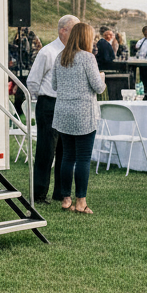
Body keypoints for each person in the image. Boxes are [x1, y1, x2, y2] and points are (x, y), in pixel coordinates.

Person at [50, 22, 106, 214]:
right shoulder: (88, 58)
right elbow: (98, 87)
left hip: (63, 112)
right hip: (83, 113)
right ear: (85, 38)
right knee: (82, 158)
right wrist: (102, 77)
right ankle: (81, 201)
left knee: (67, 156)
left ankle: (66, 198)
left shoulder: (60, 57)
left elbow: (54, 85)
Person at [26, 15, 80, 204]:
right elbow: (33, 81)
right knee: (46, 150)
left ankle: (61, 192)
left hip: (66, 104)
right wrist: (40, 99)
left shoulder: (75, 52)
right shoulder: (47, 52)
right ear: (62, 30)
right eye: (74, 29)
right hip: (48, 104)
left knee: (65, 151)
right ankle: (39, 194)